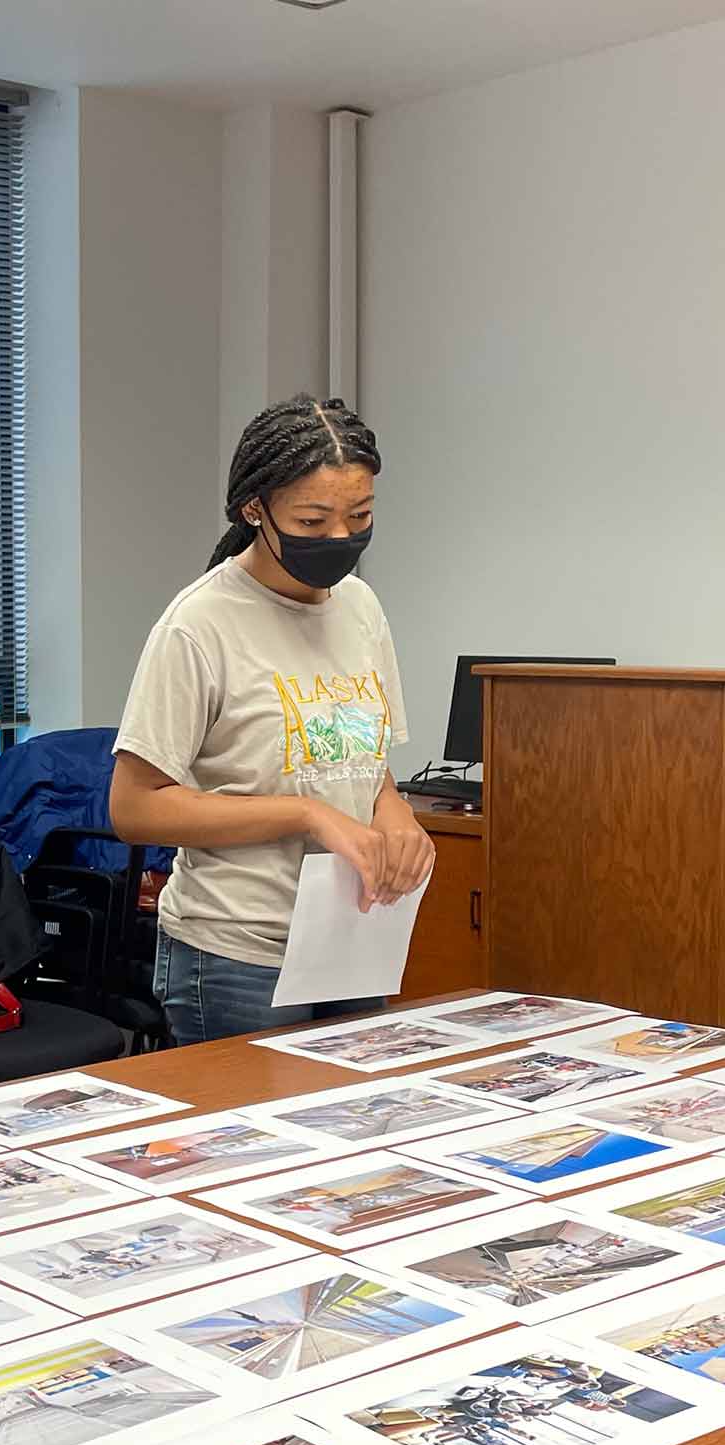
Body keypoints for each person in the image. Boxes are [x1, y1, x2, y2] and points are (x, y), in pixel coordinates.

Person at [108, 395, 435, 1044]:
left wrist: (396, 817)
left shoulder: (361, 609)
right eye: (313, 521)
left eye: (360, 516)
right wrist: (305, 814)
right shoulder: (200, 624)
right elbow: (135, 808)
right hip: (236, 955)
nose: (341, 538)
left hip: (349, 936)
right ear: (254, 510)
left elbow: (367, 770)